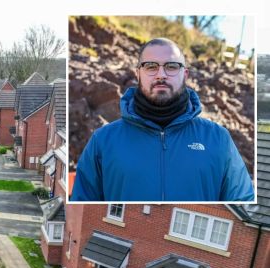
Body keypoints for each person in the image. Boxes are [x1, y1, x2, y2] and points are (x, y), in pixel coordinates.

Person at [71, 38, 254, 202]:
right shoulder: (103, 141)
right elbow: (82, 204)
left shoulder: (218, 139)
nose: (161, 75)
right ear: (138, 73)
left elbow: (243, 205)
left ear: (185, 74)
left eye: (171, 66)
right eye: (151, 66)